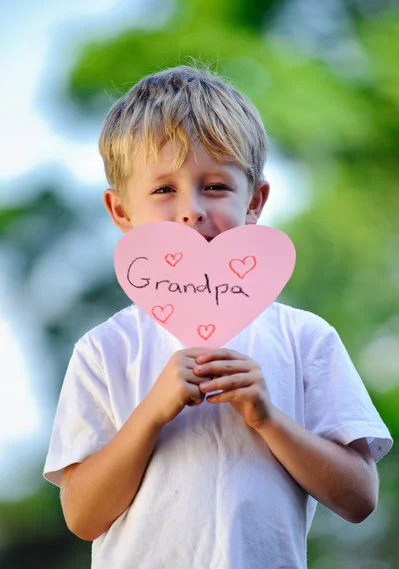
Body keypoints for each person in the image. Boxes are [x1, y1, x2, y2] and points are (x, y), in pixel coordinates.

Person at [43, 64, 393, 569]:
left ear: (254, 201)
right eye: (163, 190)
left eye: (214, 186)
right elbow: (82, 516)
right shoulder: (104, 350)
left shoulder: (304, 338)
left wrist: (268, 418)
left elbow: (360, 499)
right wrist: (152, 413)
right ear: (121, 212)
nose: (191, 210)